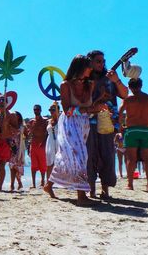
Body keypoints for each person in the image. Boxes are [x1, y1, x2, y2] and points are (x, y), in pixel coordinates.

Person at [44, 55, 104, 206]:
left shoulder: (90, 84)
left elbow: (87, 110)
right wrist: (90, 108)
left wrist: (98, 107)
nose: (91, 68)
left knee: (67, 157)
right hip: (70, 124)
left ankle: (49, 185)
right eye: (89, 66)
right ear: (80, 67)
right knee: (81, 156)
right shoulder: (65, 85)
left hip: (84, 125)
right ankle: (81, 195)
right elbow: (67, 110)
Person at [86, 50, 128, 199]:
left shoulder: (111, 78)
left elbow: (124, 94)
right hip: (88, 122)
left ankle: (105, 190)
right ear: (89, 61)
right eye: (98, 61)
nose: (102, 64)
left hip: (108, 122)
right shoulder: (85, 79)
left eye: (103, 61)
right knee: (89, 155)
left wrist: (117, 80)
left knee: (107, 155)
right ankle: (91, 189)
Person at [119, 78, 148, 191]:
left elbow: (120, 112)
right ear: (141, 85)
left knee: (131, 158)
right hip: (147, 130)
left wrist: (120, 127)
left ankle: (130, 184)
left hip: (132, 130)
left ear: (130, 87)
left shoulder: (128, 99)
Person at [0, 96, 18, 192]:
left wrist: (8, 125)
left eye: (3, 101)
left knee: (1, 165)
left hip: (6, 142)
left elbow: (16, 129)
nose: (1, 102)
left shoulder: (11, 115)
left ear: (6, 103)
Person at [27, 104, 48, 188]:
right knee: (33, 165)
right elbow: (29, 134)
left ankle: (43, 181)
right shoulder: (31, 121)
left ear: (41, 110)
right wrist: (29, 145)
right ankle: (33, 184)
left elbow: (47, 133)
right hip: (33, 144)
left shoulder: (45, 121)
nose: (36, 111)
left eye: (38, 109)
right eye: (35, 110)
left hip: (42, 144)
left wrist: (44, 142)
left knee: (43, 164)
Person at [9, 111, 26, 191]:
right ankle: (12, 185)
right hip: (11, 148)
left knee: (17, 168)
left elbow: (26, 135)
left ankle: (19, 183)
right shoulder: (8, 126)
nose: (12, 117)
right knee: (12, 167)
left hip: (19, 149)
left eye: (13, 116)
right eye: (11, 116)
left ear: (18, 117)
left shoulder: (22, 127)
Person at [46, 103, 60, 180]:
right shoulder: (48, 121)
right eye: (50, 110)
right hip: (50, 142)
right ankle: (48, 180)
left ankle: (60, 180)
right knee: (49, 162)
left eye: (53, 110)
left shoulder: (61, 119)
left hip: (59, 141)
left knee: (59, 162)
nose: (51, 111)